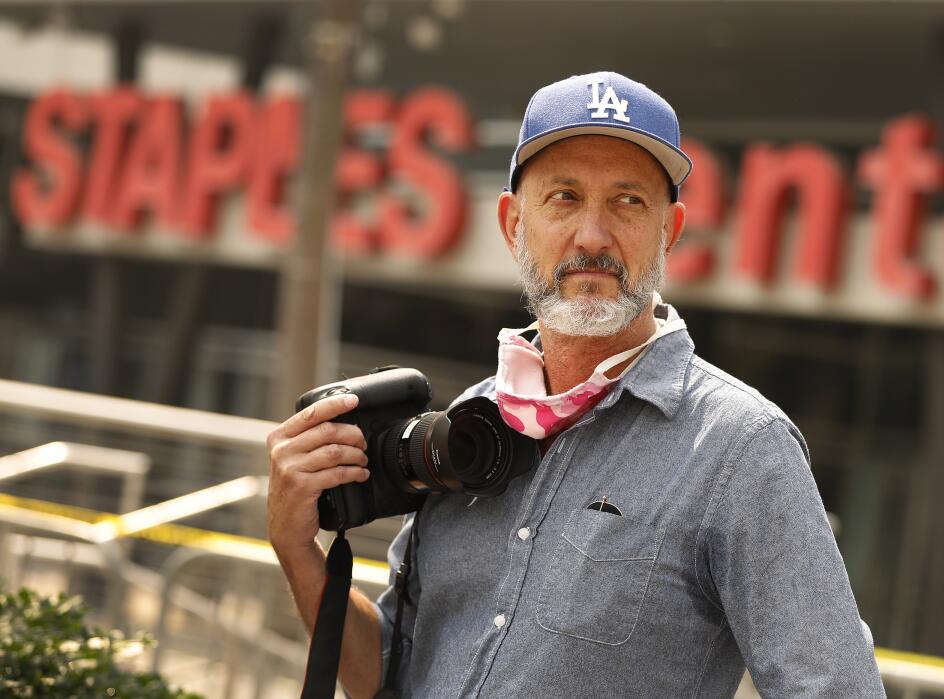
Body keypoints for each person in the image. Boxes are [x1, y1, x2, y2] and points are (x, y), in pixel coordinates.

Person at [267, 70, 885, 698]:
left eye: (628, 201)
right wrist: (298, 553)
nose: (593, 236)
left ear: (668, 232)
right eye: (564, 197)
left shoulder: (741, 447)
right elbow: (385, 677)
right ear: (514, 225)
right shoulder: (471, 425)